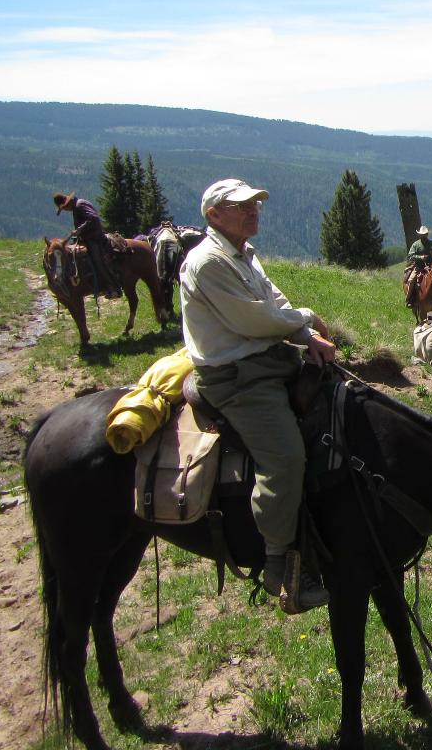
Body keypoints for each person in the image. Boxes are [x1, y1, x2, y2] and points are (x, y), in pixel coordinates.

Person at [180, 178, 337, 613]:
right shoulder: (206, 263)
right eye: (242, 206)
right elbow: (256, 320)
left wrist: (305, 336)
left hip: (268, 359)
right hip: (238, 378)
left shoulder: (243, 254)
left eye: (256, 205)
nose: (254, 212)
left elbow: (274, 301)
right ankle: (277, 564)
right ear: (214, 215)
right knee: (284, 456)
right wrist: (305, 319)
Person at [53, 192, 120, 298]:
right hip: (87, 238)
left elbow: (93, 218)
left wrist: (79, 229)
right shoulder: (76, 207)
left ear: (66, 204)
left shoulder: (79, 205)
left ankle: (114, 288)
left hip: (95, 238)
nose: (65, 210)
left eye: (64, 208)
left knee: (98, 261)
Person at [404, 225, 432, 307]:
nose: (424, 236)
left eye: (425, 234)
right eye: (422, 235)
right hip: (419, 267)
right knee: (412, 280)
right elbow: (410, 256)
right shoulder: (416, 245)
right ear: (420, 235)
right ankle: (409, 299)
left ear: (427, 235)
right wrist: (420, 257)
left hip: (431, 267)